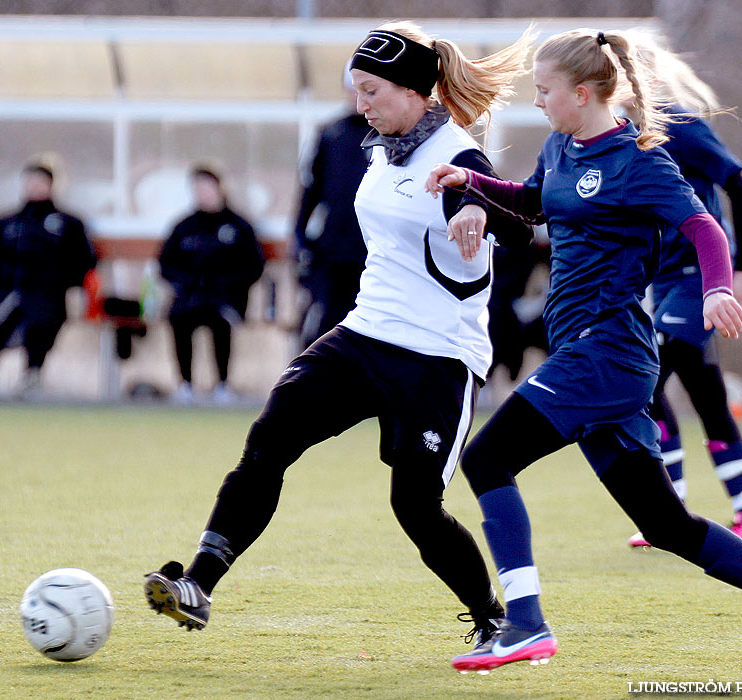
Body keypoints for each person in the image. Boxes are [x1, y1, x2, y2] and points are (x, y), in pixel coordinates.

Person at [425, 29, 742, 682]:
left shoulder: (641, 160)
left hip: (608, 356)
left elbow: (703, 226)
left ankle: (526, 624)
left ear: (584, 93)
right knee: (665, 522)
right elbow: (535, 205)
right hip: (585, 356)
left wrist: (718, 290)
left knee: (486, 458)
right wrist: (471, 181)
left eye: (544, 90)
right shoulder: (562, 146)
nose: (537, 101)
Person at [144, 22, 535, 653]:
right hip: (363, 334)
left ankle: (496, 621)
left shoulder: (459, 156)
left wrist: (476, 205)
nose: (361, 105)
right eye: (357, 90)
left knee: (415, 507)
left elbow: (515, 222)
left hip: (436, 358)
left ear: (413, 90)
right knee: (268, 443)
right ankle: (197, 585)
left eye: (372, 91)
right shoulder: (383, 145)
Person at [622, 35, 742, 548]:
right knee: (701, 392)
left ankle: (671, 508)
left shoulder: (681, 127)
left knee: (648, 377)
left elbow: (739, 185)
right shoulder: (621, 137)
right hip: (663, 283)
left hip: (700, 279)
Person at [0, 160, 96, 399]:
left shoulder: (66, 223)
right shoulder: (9, 222)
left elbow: (84, 259)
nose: (33, 187)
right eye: (29, 182)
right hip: (9, 289)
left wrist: (61, 283)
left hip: (47, 292)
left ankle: (32, 376)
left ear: (50, 186)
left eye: (39, 182)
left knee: (42, 320)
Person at [158, 165, 265, 405]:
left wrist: (228, 286)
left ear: (219, 188)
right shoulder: (184, 227)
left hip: (225, 299)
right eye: (196, 187)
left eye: (206, 186)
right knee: (179, 318)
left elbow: (253, 266)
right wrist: (184, 284)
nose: (201, 192)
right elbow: (165, 264)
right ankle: (185, 384)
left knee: (220, 321)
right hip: (190, 298)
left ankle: (222, 385)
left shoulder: (238, 227)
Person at [294, 65, 371, 348]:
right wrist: (300, 236)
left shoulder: (390, 135)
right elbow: (310, 191)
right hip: (334, 249)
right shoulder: (330, 134)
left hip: (374, 249)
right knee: (326, 323)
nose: (358, 99)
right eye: (353, 91)